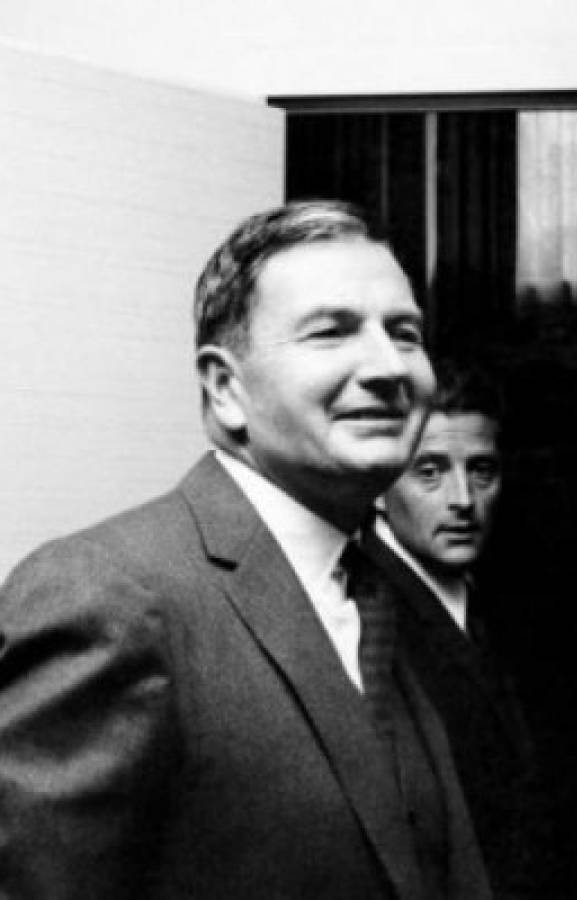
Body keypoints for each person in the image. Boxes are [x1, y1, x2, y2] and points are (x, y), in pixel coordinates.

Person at [0, 200, 492, 899]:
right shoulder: (106, 595)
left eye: (405, 333)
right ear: (227, 389)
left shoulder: (390, 591)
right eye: (332, 332)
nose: (389, 367)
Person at [374, 360, 546, 898]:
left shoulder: (503, 603)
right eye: (429, 472)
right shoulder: (363, 612)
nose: (463, 501)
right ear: (378, 486)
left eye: (481, 471)